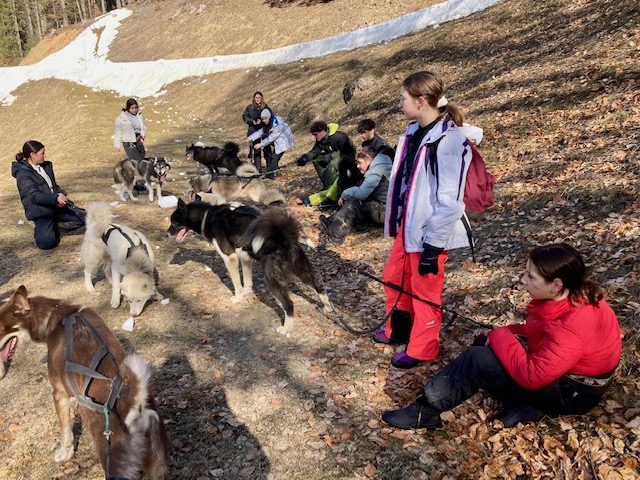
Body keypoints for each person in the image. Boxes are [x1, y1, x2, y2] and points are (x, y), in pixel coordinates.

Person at [382, 243, 622, 430]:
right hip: (567, 379)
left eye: (531, 277)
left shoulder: (573, 325)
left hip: (572, 394)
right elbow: (541, 332)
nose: (523, 280)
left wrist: (500, 336)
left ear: (557, 284)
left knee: (478, 359)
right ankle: (527, 405)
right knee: (485, 344)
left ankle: (425, 412)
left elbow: (532, 375)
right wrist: (508, 333)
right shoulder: (577, 295)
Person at [373, 71, 480, 369]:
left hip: (430, 231)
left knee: (425, 292)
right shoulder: (411, 133)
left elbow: (450, 201)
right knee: (394, 278)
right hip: (407, 225)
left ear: (420, 101)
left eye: (402, 98)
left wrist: (433, 246)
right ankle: (399, 329)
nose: (399, 104)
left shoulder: (449, 140)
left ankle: (423, 348)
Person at [11, 140, 86, 250]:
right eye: (42, 153)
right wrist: (55, 198)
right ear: (32, 155)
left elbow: (54, 186)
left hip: (56, 206)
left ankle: (57, 225)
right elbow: (34, 195)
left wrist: (60, 194)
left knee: (87, 219)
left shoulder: (46, 166)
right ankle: (47, 229)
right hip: (42, 212)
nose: (44, 155)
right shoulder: (23, 174)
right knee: (46, 243)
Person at [319, 146, 392, 244]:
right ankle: (333, 221)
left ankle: (333, 239)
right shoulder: (381, 165)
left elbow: (361, 193)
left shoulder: (376, 171)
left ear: (369, 160)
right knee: (354, 198)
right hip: (387, 207)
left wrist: (344, 194)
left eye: (359, 163)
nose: (357, 166)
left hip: (387, 211)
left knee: (353, 205)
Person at [296, 121, 356, 207]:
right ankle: (327, 186)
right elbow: (315, 151)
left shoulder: (340, 137)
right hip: (333, 157)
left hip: (346, 159)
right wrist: (305, 158)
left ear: (323, 132)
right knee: (316, 161)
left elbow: (348, 152)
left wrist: (330, 156)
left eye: (316, 135)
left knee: (333, 164)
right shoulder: (321, 139)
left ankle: (331, 190)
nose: (315, 137)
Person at [248, 109, 294, 179]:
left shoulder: (278, 125)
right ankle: (274, 172)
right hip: (277, 141)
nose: (264, 121)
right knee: (274, 158)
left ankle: (269, 176)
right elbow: (261, 132)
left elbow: (271, 138)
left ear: (269, 117)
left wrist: (260, 144)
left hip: (284, 141)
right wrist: (251, 138)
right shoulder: (267, 124)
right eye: (263, 119)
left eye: (265, 119)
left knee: (274, 158)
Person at [242, 91, 273, 172]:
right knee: (256, 151)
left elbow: (271, 116)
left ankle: (269, 169)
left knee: (267, 149)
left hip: (264, 131)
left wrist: (263, 122)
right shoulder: (249, 107)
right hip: (253, 131)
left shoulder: (265, 107)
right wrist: (252, 121)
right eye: (256, 97)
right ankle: (258, 170)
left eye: (259, 97)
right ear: (254, 98)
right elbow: (244, 116)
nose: (258, 99)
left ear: (262, 98)